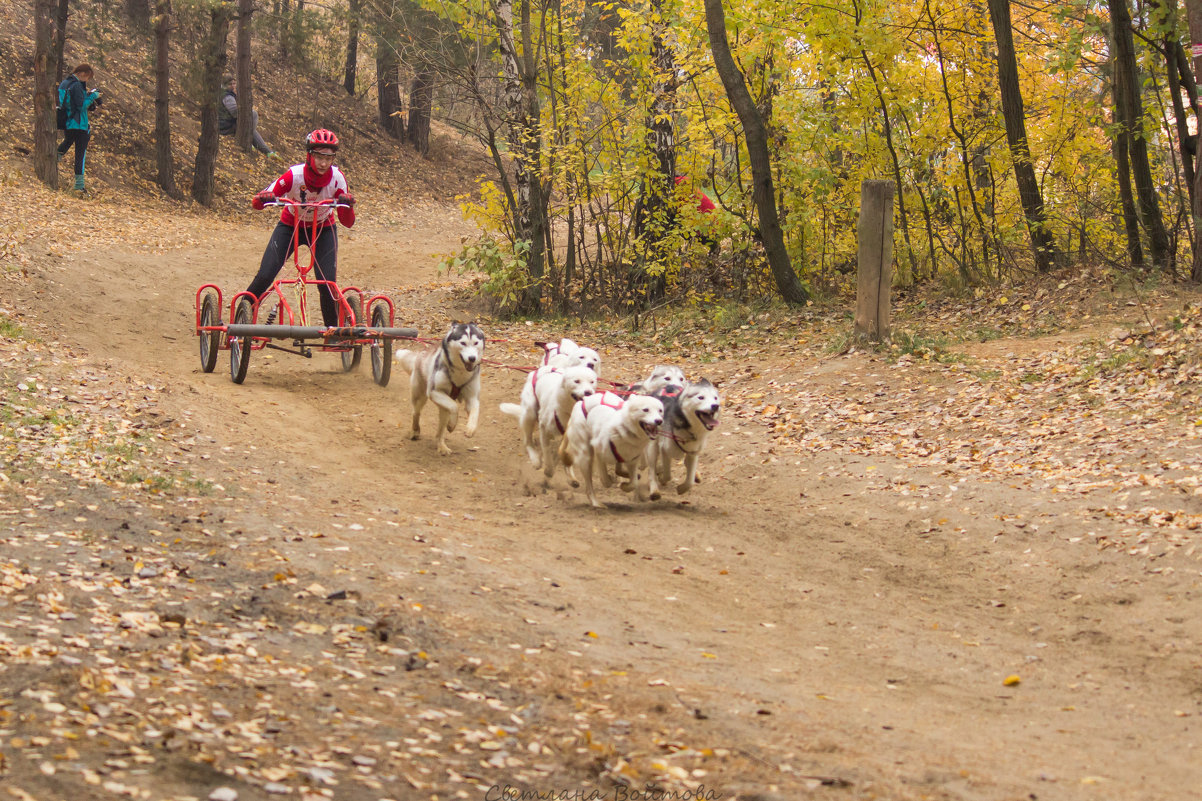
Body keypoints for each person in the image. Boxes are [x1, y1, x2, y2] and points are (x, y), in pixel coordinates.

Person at [246, 129, 355, 328]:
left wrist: (348, 204)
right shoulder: (294, 176)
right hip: (290, 226)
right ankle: (243, 312)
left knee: (327, 282)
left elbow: (348, 222)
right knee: (266, 274)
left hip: (323, 229)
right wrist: (263, 198)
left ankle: (332, 332)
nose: (323, 163)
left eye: (328, 158)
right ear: (310, 155)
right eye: (319, 156)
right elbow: (259, 200)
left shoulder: (337, 179)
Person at [57, 63, 101, 192]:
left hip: (67, 122)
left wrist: (86, 95)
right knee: (80, 156)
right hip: (79, 124)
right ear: (83, 73)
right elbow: (81, 106)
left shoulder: (65, 83)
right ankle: (79, 186)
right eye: (88, 77)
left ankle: (55, 156)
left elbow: (71, 102)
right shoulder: (76, 85)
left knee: (67, 141)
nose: (87, 80)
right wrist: (93, 96)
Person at [218, 75, 278, 159]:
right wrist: (245, 111)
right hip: (224, 126)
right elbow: (235, 112)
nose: (233, 86)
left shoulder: (224, 93)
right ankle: (251, 141)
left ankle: (268, 152)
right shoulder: (227, 96)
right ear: (224, 85)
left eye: (234, 83)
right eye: (230, 84)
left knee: (251, 128)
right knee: (253, 114)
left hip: (224, 123)